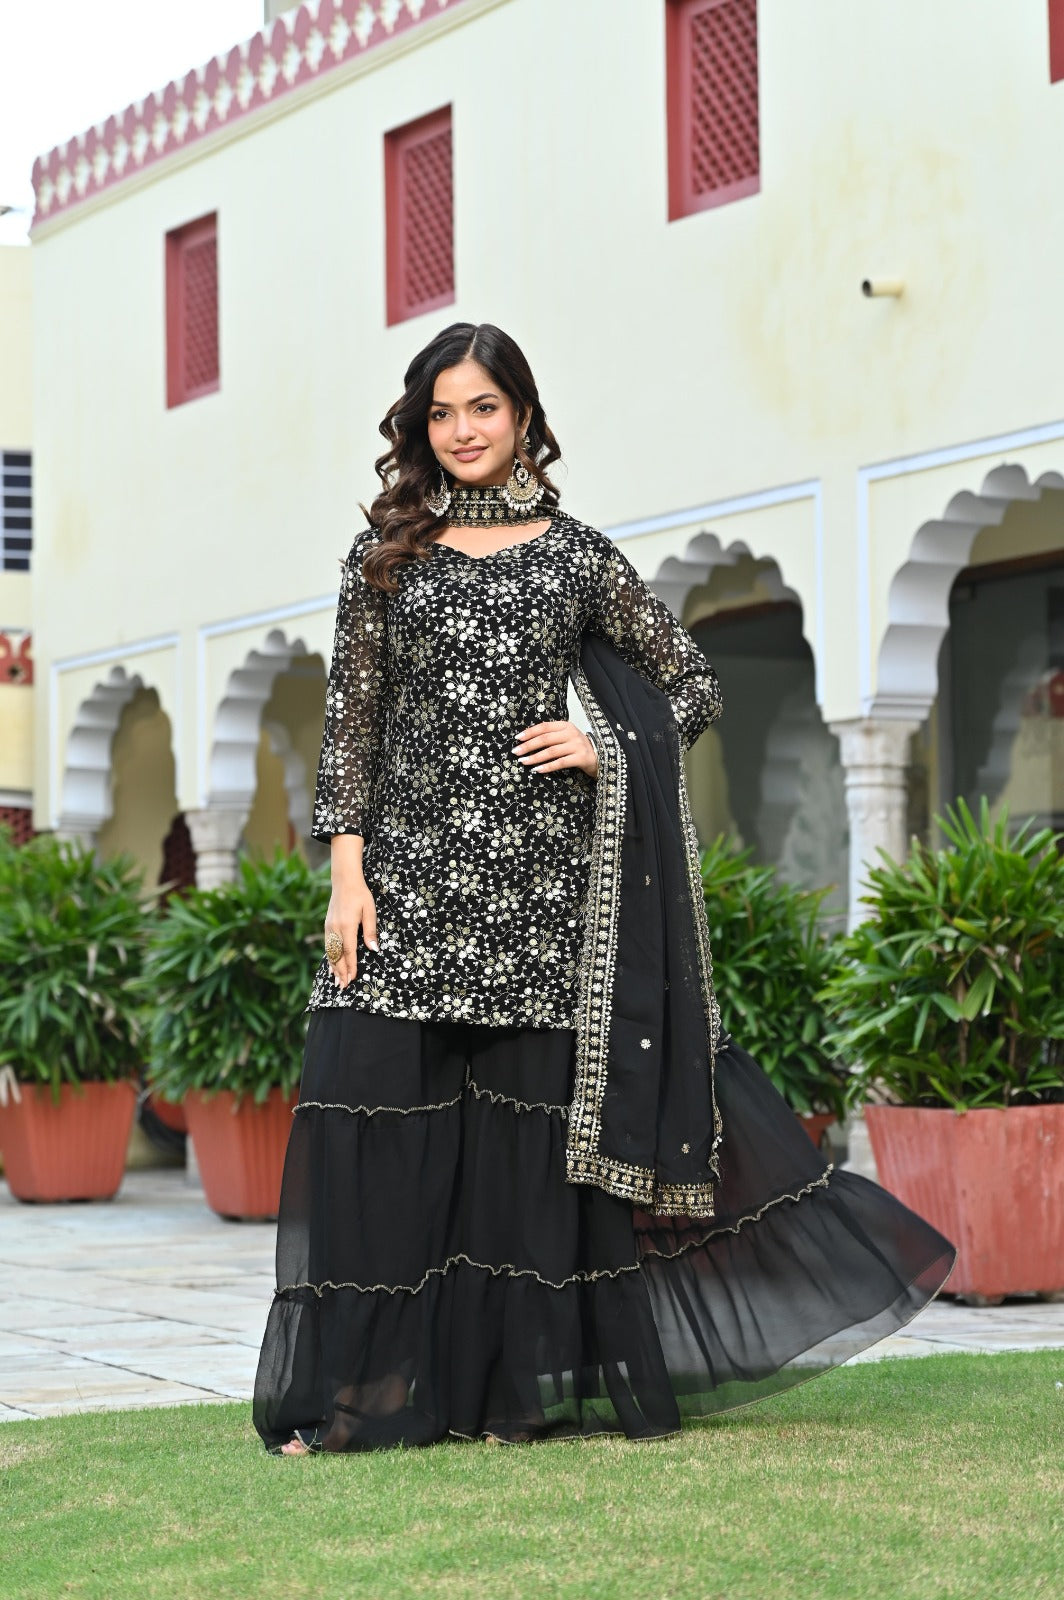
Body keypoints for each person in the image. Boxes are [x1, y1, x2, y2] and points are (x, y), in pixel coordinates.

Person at [253, 323, 956, 1454]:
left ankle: (507, 1394)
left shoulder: (576, 557)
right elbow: (352, 722)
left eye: (481, 407)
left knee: (520, 1157)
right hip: (408, 890)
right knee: (379, 1135)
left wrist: (600, 747)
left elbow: (688, 681)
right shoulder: (386, 555)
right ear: (419, 427)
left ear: (522, 415)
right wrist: (346, 870)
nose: (462, 430)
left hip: (543, 899)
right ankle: (366, 1395)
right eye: (441, 412)